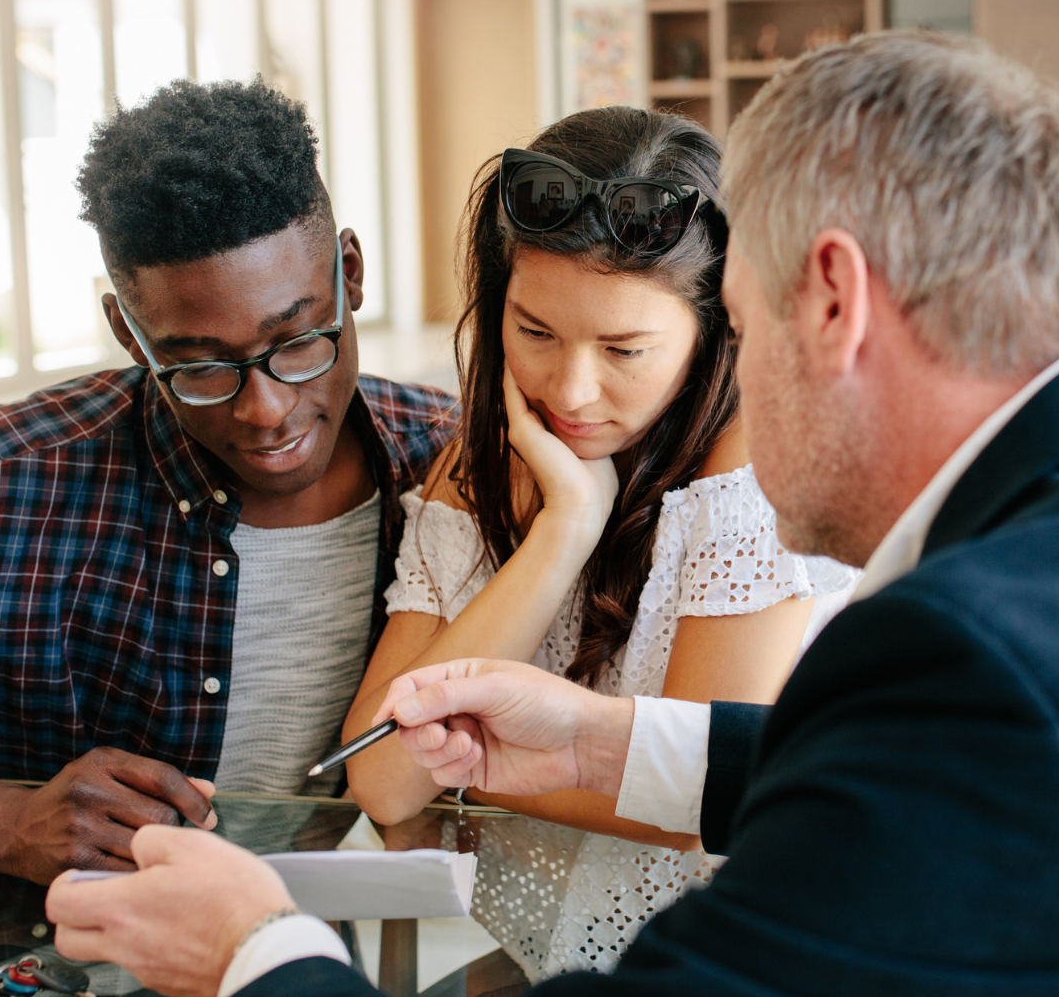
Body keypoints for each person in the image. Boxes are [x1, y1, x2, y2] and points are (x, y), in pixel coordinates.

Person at [47, 32, 1059, 996]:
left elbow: (971, 751)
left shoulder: (989, 659)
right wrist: (593, 740)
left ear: (829, 301)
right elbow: (968, 778)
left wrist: (257, 952)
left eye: (742, 325)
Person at [0, 79, 453, 883]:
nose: (266, 410)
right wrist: (7, 824)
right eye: (198, 366)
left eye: (297, 340)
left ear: (350, 276)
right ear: (128, 333)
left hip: (293, 952)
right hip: (8, 957)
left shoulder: (453, 469)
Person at [341, 107, 856, 984]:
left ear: (716, 333)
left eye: (625, 349)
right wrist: (564, 528)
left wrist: (459, 771)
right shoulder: (483, 462)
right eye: (534, 331)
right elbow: (383, 782)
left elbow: (694, 794)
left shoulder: (756, 469)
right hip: (535, 953)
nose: (571, 390)